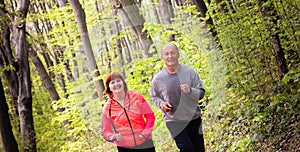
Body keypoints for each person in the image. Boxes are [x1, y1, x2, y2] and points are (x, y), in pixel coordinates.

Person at [150, 44, 206, 152]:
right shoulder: (158, 78)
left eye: (173, 53)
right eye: (166, 54)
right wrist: (162, 104)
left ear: (178, 54)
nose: (170, 56)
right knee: (187, 149)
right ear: (162, 57)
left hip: (193, 118)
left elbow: (201, 93)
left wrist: (191, 91)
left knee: (199, 149)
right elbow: (154, 96)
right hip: (174, 121)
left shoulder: (190, 72)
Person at [101, 72, 156, 152]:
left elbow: (150, 116)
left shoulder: (136, 97)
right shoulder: (107, 108)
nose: (116, 84)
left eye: (118, 80)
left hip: (145, 142)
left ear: (123, 82)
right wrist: (114, 137)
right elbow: (105, 132)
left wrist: (146, 133)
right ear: (109, 87)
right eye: (112, 82)